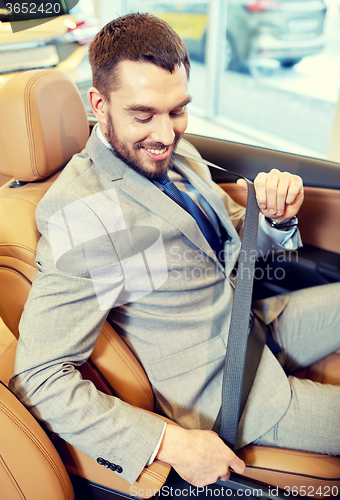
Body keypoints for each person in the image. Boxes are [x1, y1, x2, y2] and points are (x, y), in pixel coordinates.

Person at [9, 12, 340, 489]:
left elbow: (231, 240)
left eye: (178, 110)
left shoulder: (176, 154)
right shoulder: (84, 212)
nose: (165, 135)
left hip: (252, 321)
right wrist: (171, 443)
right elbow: (40, 378)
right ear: (98, 105)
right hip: (226, 391)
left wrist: (276, 218)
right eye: (142, 115)